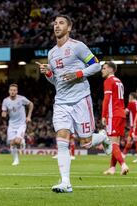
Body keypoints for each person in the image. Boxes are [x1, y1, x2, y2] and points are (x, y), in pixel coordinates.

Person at [36, 14, 111, 193]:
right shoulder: (52, 53)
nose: (56, 26)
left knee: (86, 142)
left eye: (61, 23)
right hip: (61, 101)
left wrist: (78, 74)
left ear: (69, 28)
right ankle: (66, 182)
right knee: (62, 140)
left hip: (80, 99)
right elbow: (56, 82)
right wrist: (48, 73)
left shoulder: (78, 47)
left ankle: (103, 137)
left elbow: (96, 65)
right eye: (54, 23)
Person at [101, 61, 129, 175]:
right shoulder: (119, 81)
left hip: (113, 114)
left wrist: (104, 115)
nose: (102, 70)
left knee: (113, 144)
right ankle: (112, 168)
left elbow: (107, 99)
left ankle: (123, 165)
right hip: (121, 113)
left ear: (111, 69)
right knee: (116, 143)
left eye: (104, 68)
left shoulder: (108, 81)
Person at [1, 84, 34, 166]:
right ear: (9, 91)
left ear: (17, 91)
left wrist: (29, 116)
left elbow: (31, 104)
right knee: (12, 143)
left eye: (14, 90)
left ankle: (22, 141)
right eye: (11, 90)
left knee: (17, 141)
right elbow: (4, 111)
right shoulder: (5, 101)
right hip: (12, 124)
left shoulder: (21, 99)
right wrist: (3, 113)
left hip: (21, 124)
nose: (12, 92)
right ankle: (16, 160)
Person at [122, 92, 137, 157]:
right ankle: (124, 154)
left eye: (129, 97)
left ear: (132, 97)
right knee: (130, 139)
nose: (129, 98)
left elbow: (125, 112)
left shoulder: (131, 103)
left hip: (134, 124)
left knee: (136, 140)